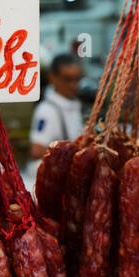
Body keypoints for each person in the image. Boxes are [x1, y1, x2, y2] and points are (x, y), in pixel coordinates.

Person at [22, 52, 85, 193]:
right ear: (52, 78)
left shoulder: (73, 105)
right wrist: (75, 152)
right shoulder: (46, 110)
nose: (74, 85)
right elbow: (36, 150)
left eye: (77, 79)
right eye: (68, 79)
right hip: (45, 184)